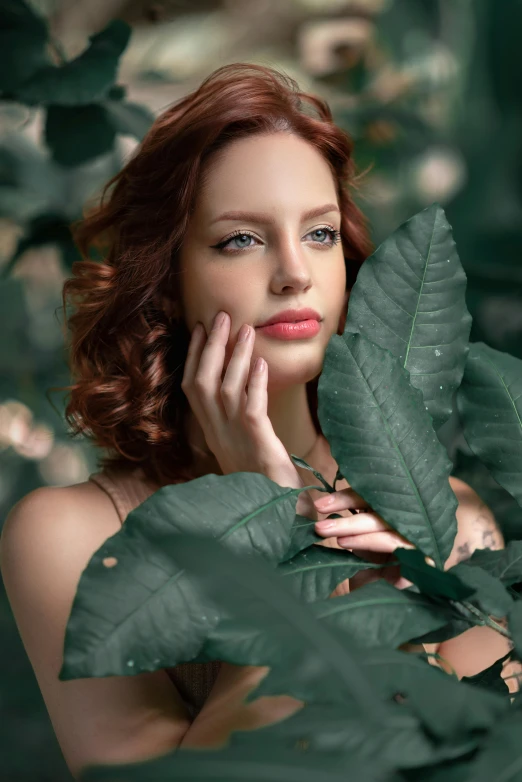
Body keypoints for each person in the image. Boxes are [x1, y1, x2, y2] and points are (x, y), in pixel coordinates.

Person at [0, 63, 516, 779]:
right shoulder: (69, 537)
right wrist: (272, 556)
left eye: (320, 234)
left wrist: (409, 607)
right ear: (168, 279)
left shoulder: (448, 520)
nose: (294, 273)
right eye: (241, 239)